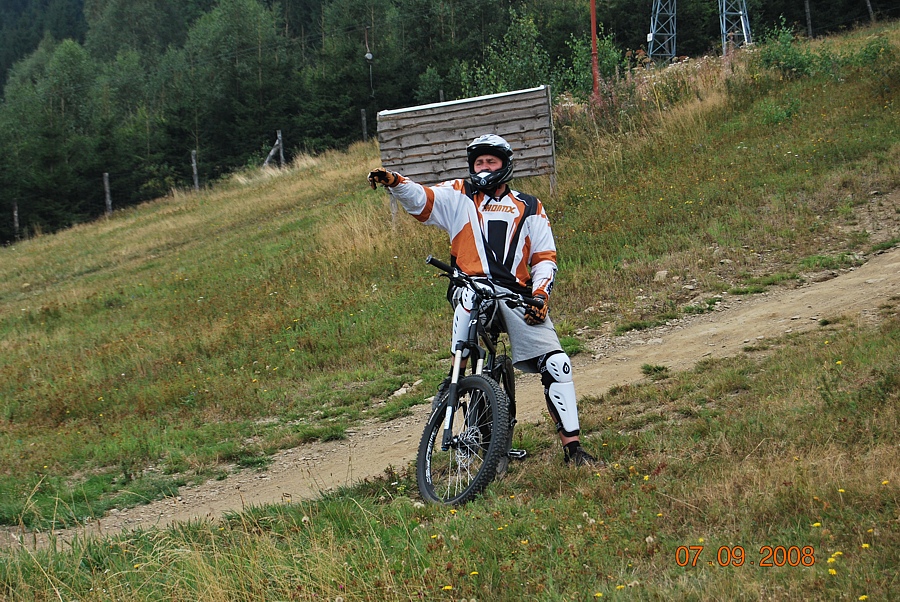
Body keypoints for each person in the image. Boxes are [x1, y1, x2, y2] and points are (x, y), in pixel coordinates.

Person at [368, 134, 597, 466]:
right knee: (469, 300)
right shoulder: (459, 194)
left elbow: (544, 257)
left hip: (517, 295)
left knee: (557, 364)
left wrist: (540, 294)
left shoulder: (530, 206)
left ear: (505, 165)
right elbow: (423, 199)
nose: (485, 167)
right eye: (479, 162)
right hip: (471, 286)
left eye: (491, 161)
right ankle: (455, 379)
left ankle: (573, 450)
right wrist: (395, 182)